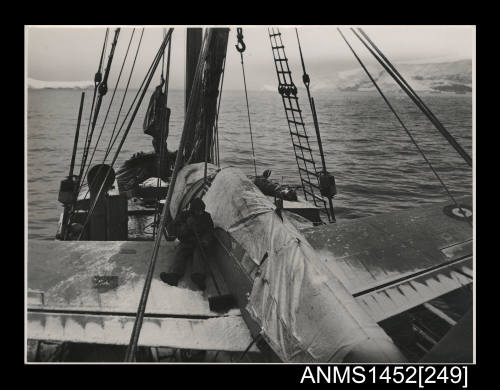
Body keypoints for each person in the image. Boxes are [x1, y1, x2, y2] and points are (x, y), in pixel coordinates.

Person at [160, 198, 214, 290]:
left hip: (199, 242)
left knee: (199, 255)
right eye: (198, 211)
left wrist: (205, 240)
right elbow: (172, 229)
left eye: (202, 210)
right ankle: (174, 276)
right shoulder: (184, 215)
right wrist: (185, 227)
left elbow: (210, 231)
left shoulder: (206, 217)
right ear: (192, 210)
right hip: (186, 241)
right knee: (180, 253)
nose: (200, 213)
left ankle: (198, 277)